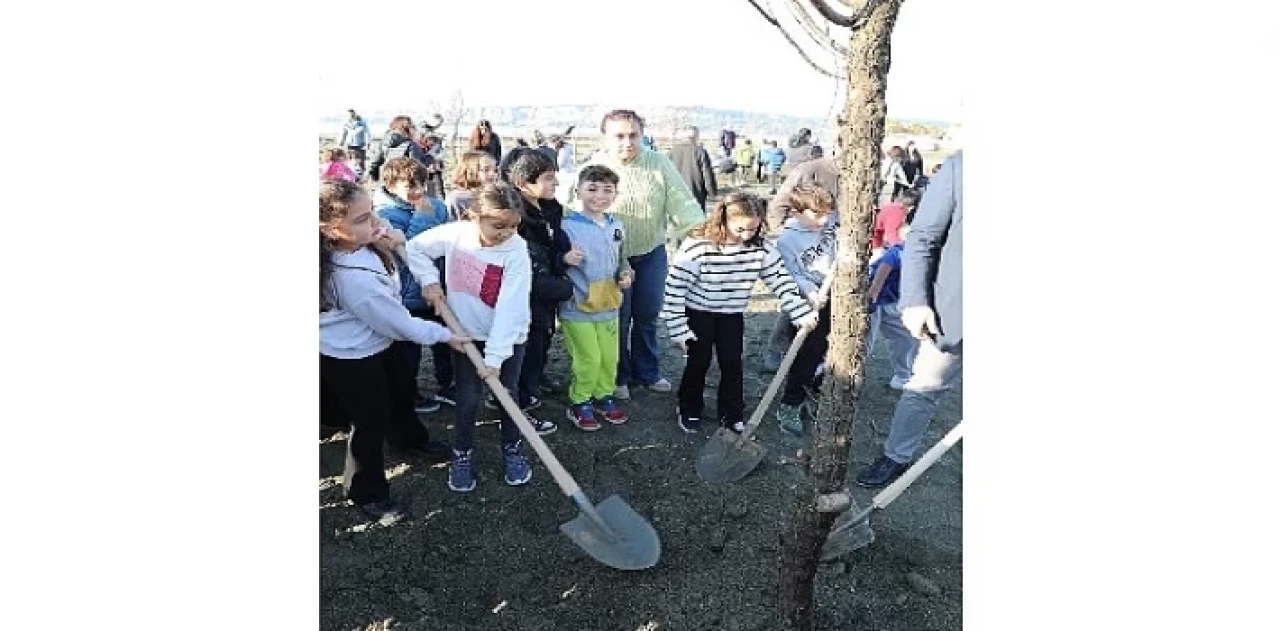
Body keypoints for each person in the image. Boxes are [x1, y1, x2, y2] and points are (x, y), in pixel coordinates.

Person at [320, 178, 470, 521]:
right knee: (370, 418)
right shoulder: (350, 279)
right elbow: (399, 324)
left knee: (403, 390)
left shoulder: (367, 237)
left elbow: (382, 231)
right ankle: (364, 490)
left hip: (380, 341)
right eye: (361, 220)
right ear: (329, 230)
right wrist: (445, 335)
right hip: (350, 355)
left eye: (371, 212)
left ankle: (408, 438)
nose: (374, 222)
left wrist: (392, 239)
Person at [405, 183, 537, 493]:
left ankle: (512, 447)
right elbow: (415, 249)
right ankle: (462, 453)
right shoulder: (457, 234)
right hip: (465, 333)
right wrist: (428, 281)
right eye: (498, 225)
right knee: (467, 399)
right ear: (473, 216)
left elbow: (510, 307)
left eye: (514, 224)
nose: (506, 232)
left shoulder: (516, 250)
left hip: (508, 337)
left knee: (508, 393)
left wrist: (494, 358)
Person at [660, 192, 818, 434]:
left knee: (732, 363)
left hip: (731, 314)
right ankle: (689, 408)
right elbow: (675, 288)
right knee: (698, 362)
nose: (746, 235)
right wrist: (679, 329)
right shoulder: (700, 246)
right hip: (699, 312)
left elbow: (780, 281)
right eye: (740, 229)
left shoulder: (760, 248)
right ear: (723, 220)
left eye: (753, 229)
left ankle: (731, 413)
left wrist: (799, 312)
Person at [577, 109, 705, 400]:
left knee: (647, 314)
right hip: (610, 258)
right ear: (605, 138)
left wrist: (699, 230)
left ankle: (647, 371)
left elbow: (681, 200)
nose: (627, 142)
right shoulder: (596, 166)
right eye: (619, 136)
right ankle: (618, 374)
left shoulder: (658, 163)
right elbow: (577, 207)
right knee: (618, 318)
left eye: (633, 134)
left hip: (651, 253)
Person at [856, 151, 963, 489]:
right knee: (924, 388)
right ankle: (897, 456)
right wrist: (915, 300)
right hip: (957, 310)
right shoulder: (963, 167)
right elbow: (923, 238)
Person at [373, 157, 456, 412]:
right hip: (408, 293)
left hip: (439, 288)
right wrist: (421, 216)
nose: (418, 190)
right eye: (409, 185)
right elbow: (406, 249)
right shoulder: (385, 216)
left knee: (447, 343)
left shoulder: (439, 207)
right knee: (408, 350)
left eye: (422, 183)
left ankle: (448, 385)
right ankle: (410, 393)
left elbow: (449, 240)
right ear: (390, 185)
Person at [499, 148, 569, 433]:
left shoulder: (550, 209)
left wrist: (562, 259)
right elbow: (527, 269)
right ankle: (521, 403)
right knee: (525, 347)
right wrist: (564, 287)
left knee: (542, 339)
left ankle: (534, 381)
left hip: (545, 292)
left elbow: (554, 246)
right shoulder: (516, 221)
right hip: (527, 297)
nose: (556, 184)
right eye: (549, 178)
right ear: (523, 184)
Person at [559, 166, 633, 431]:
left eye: (607, 190)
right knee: (588, 357)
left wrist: (626, 274)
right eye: (592, 189)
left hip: (609, 305)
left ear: (615, 194)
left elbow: (622, 258)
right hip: (577, 307)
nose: (599, 196)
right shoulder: (566, 226)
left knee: (609, 357)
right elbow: (553, 261)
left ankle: (604, 396)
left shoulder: (617, 225)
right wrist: (564, 259)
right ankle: (580, 401)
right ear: (577, 190)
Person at [773, 184, 839, 436]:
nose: (824, 220)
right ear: (797, 213)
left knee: (827, 347)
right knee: (804, 352)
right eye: (817, 215)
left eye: (828, 214)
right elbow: (792, 274)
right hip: (806, 301)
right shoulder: (788, 240)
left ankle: (818, 382)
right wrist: (810, 291)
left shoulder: (831, 224)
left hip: (835, 292)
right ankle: (790, 403)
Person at [865, 222, 920, 390]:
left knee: (905, 337)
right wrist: (873, 293)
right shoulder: (898, 252)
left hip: (893, 301)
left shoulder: (922, 255)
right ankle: (832, 374)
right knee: (865, 342)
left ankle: (903, 376)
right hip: (874, 300)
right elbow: (884, 268)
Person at [666, 126, 718, 210]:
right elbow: (708, 176)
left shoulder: (671, 153)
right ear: (696, 136)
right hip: (696, 196)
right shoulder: (700, 152)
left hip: (675, 197)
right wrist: (713, 194)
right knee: (697, 222)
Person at [368, 116, 434, 182]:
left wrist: (375, 177)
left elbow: (375, 162)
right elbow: (417, 167)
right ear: (406, 128)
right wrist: (431, 156)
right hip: (405, 183)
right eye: (412, 126)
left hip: (388, 180)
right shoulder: (411, 145)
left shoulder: (384, 142)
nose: (414, 128)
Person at [445, 151, 499, 221]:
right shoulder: (457, 199)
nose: (492, 174)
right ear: (470, 171)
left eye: (495, 170)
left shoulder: (497, 195)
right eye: (486, 170)